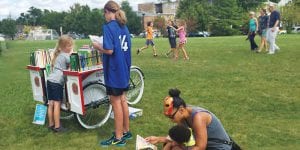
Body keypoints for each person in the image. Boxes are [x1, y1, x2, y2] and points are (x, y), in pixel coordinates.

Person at [92, 0, 132, 147]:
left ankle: (119, 137)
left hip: (114, 71)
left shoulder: (108, 27)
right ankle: (126, 131)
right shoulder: (124, 26)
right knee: (122, 100)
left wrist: (97, 46)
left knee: (116, 102)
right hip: (124, 69)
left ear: (108, 12)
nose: (105, 16)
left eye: (105, 13)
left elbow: (109, 50)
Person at [145, 88, 233, 150]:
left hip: (219, 147)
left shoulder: (199, 118)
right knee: (173, 145)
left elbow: (200, 147)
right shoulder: (183, 115)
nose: (171, 120)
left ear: (181, 110)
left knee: (173, 145)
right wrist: (159, 139)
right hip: (205, 144)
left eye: (172, 117)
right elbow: (180, 137)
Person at [47, 35, 74, 132]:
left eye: (71, 46)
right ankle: (58, 127)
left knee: (51, 103)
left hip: (50, 80)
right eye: (69, 46)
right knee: (57, 104)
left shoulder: (58, 55)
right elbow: (74, 64)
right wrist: (72, 55)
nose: (71, 48)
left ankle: (51, 124)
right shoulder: (66, 56)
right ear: (63, 47)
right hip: (57, 82)